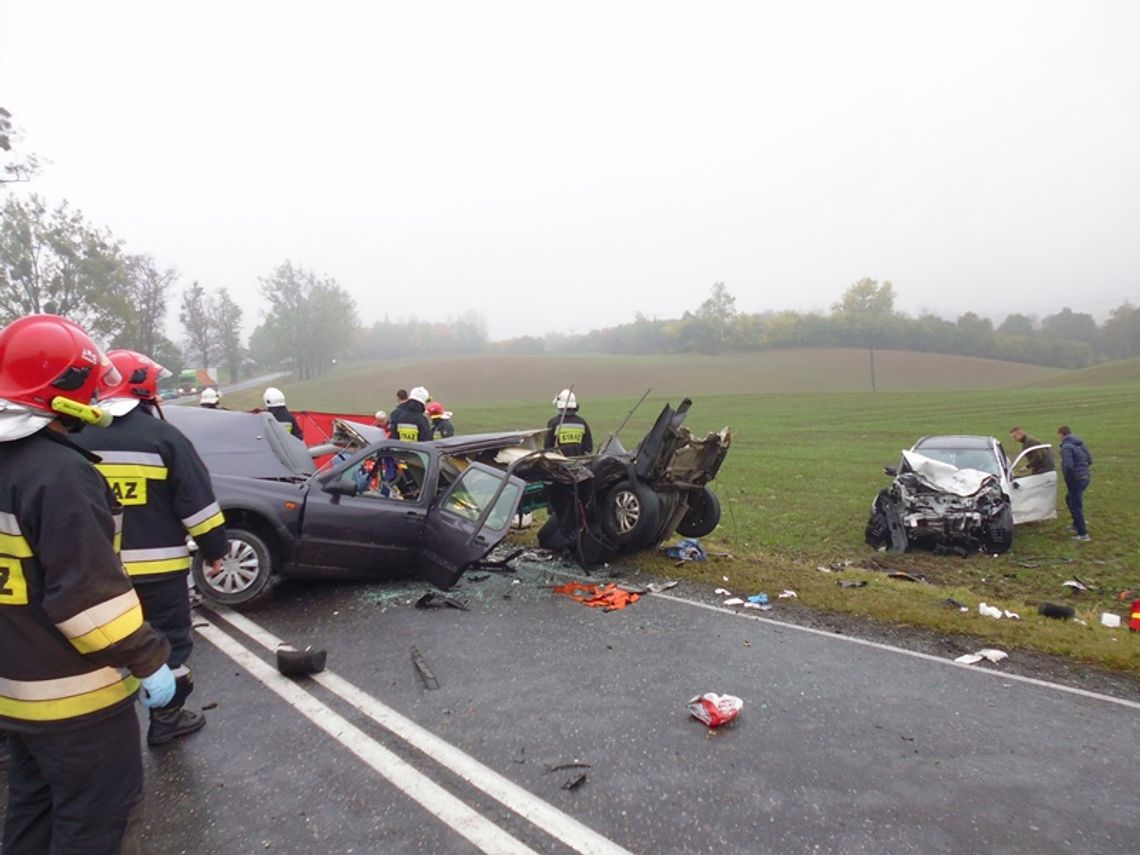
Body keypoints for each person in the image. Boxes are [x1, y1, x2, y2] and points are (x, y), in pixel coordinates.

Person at [0, 315, 174, 853]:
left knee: (32, 811)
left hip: (15, 692)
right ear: (64, 392)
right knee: (96, 822)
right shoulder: (60, 474)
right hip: (78, 702)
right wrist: (150, 658)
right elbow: (89, 602)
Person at [75, 350, 228, 746]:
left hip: (95, 575)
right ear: (145, 389)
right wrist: (215, 551)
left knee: (97, 646)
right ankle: (167, 720)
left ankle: (103, 731)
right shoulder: (165, 438)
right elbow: (200, 508)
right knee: (169, 643)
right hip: (159, 572)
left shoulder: (72, 437)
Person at [1058, 425, 1093, 541]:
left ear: (1061, 435)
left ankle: (1083, 533)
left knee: (1075, 504)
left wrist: (1068, 478)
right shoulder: (1079, 443)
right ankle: (1077, 523)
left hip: (1076, 479)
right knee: (1069, 499)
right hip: (1086, 476)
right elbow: (1089, 459)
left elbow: (1068, 466)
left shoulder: (1066, 447)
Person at [545, 388, 593, 456]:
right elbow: (589, 448)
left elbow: (547, 447)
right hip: (579, 463)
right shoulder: (582, 423)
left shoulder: (553, 422)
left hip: (559, 463)